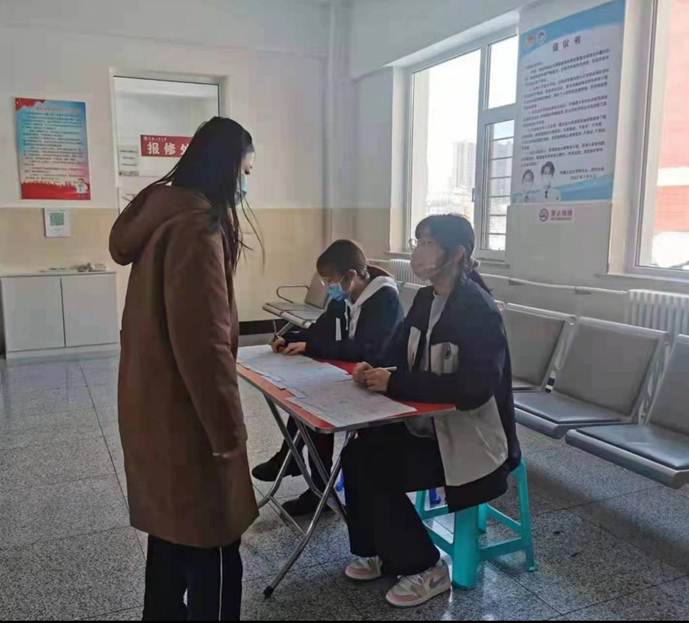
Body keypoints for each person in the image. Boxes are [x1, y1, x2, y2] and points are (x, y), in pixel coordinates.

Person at [110, 117, 260, 622]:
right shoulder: (197, 228)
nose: (246, 184)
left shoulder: (164, 216)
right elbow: (204, 347)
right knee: (213, 542)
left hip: (155, 409)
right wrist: (228, 433)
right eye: (245, 171)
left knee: (170, 535)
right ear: (226, 168)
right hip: (189, 419)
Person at [343, 214, 521, 609]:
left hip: (470, 440)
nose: (417, 251)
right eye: (417, 241)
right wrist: (375, 369)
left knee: (378, 468)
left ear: (456, 254)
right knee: (357, 452)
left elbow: (474, 389)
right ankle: (377, 549)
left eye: (427, 243)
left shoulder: (478, 310)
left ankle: (425, 565)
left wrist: (396, 382)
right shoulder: (425, 299)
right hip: (427, 424)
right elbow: (398, 352)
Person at [252, 239, 405, 516]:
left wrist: (312, 346)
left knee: (314, 408)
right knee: (304, 402)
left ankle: (304, 474)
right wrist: (291, 338)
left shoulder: (384, 300)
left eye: (331, 281)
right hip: (352, 376)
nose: (329, 287)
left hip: (379, 385)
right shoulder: (345, 295)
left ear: (351, 275)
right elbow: (321, 330)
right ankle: (308, 477)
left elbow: (364, 349)